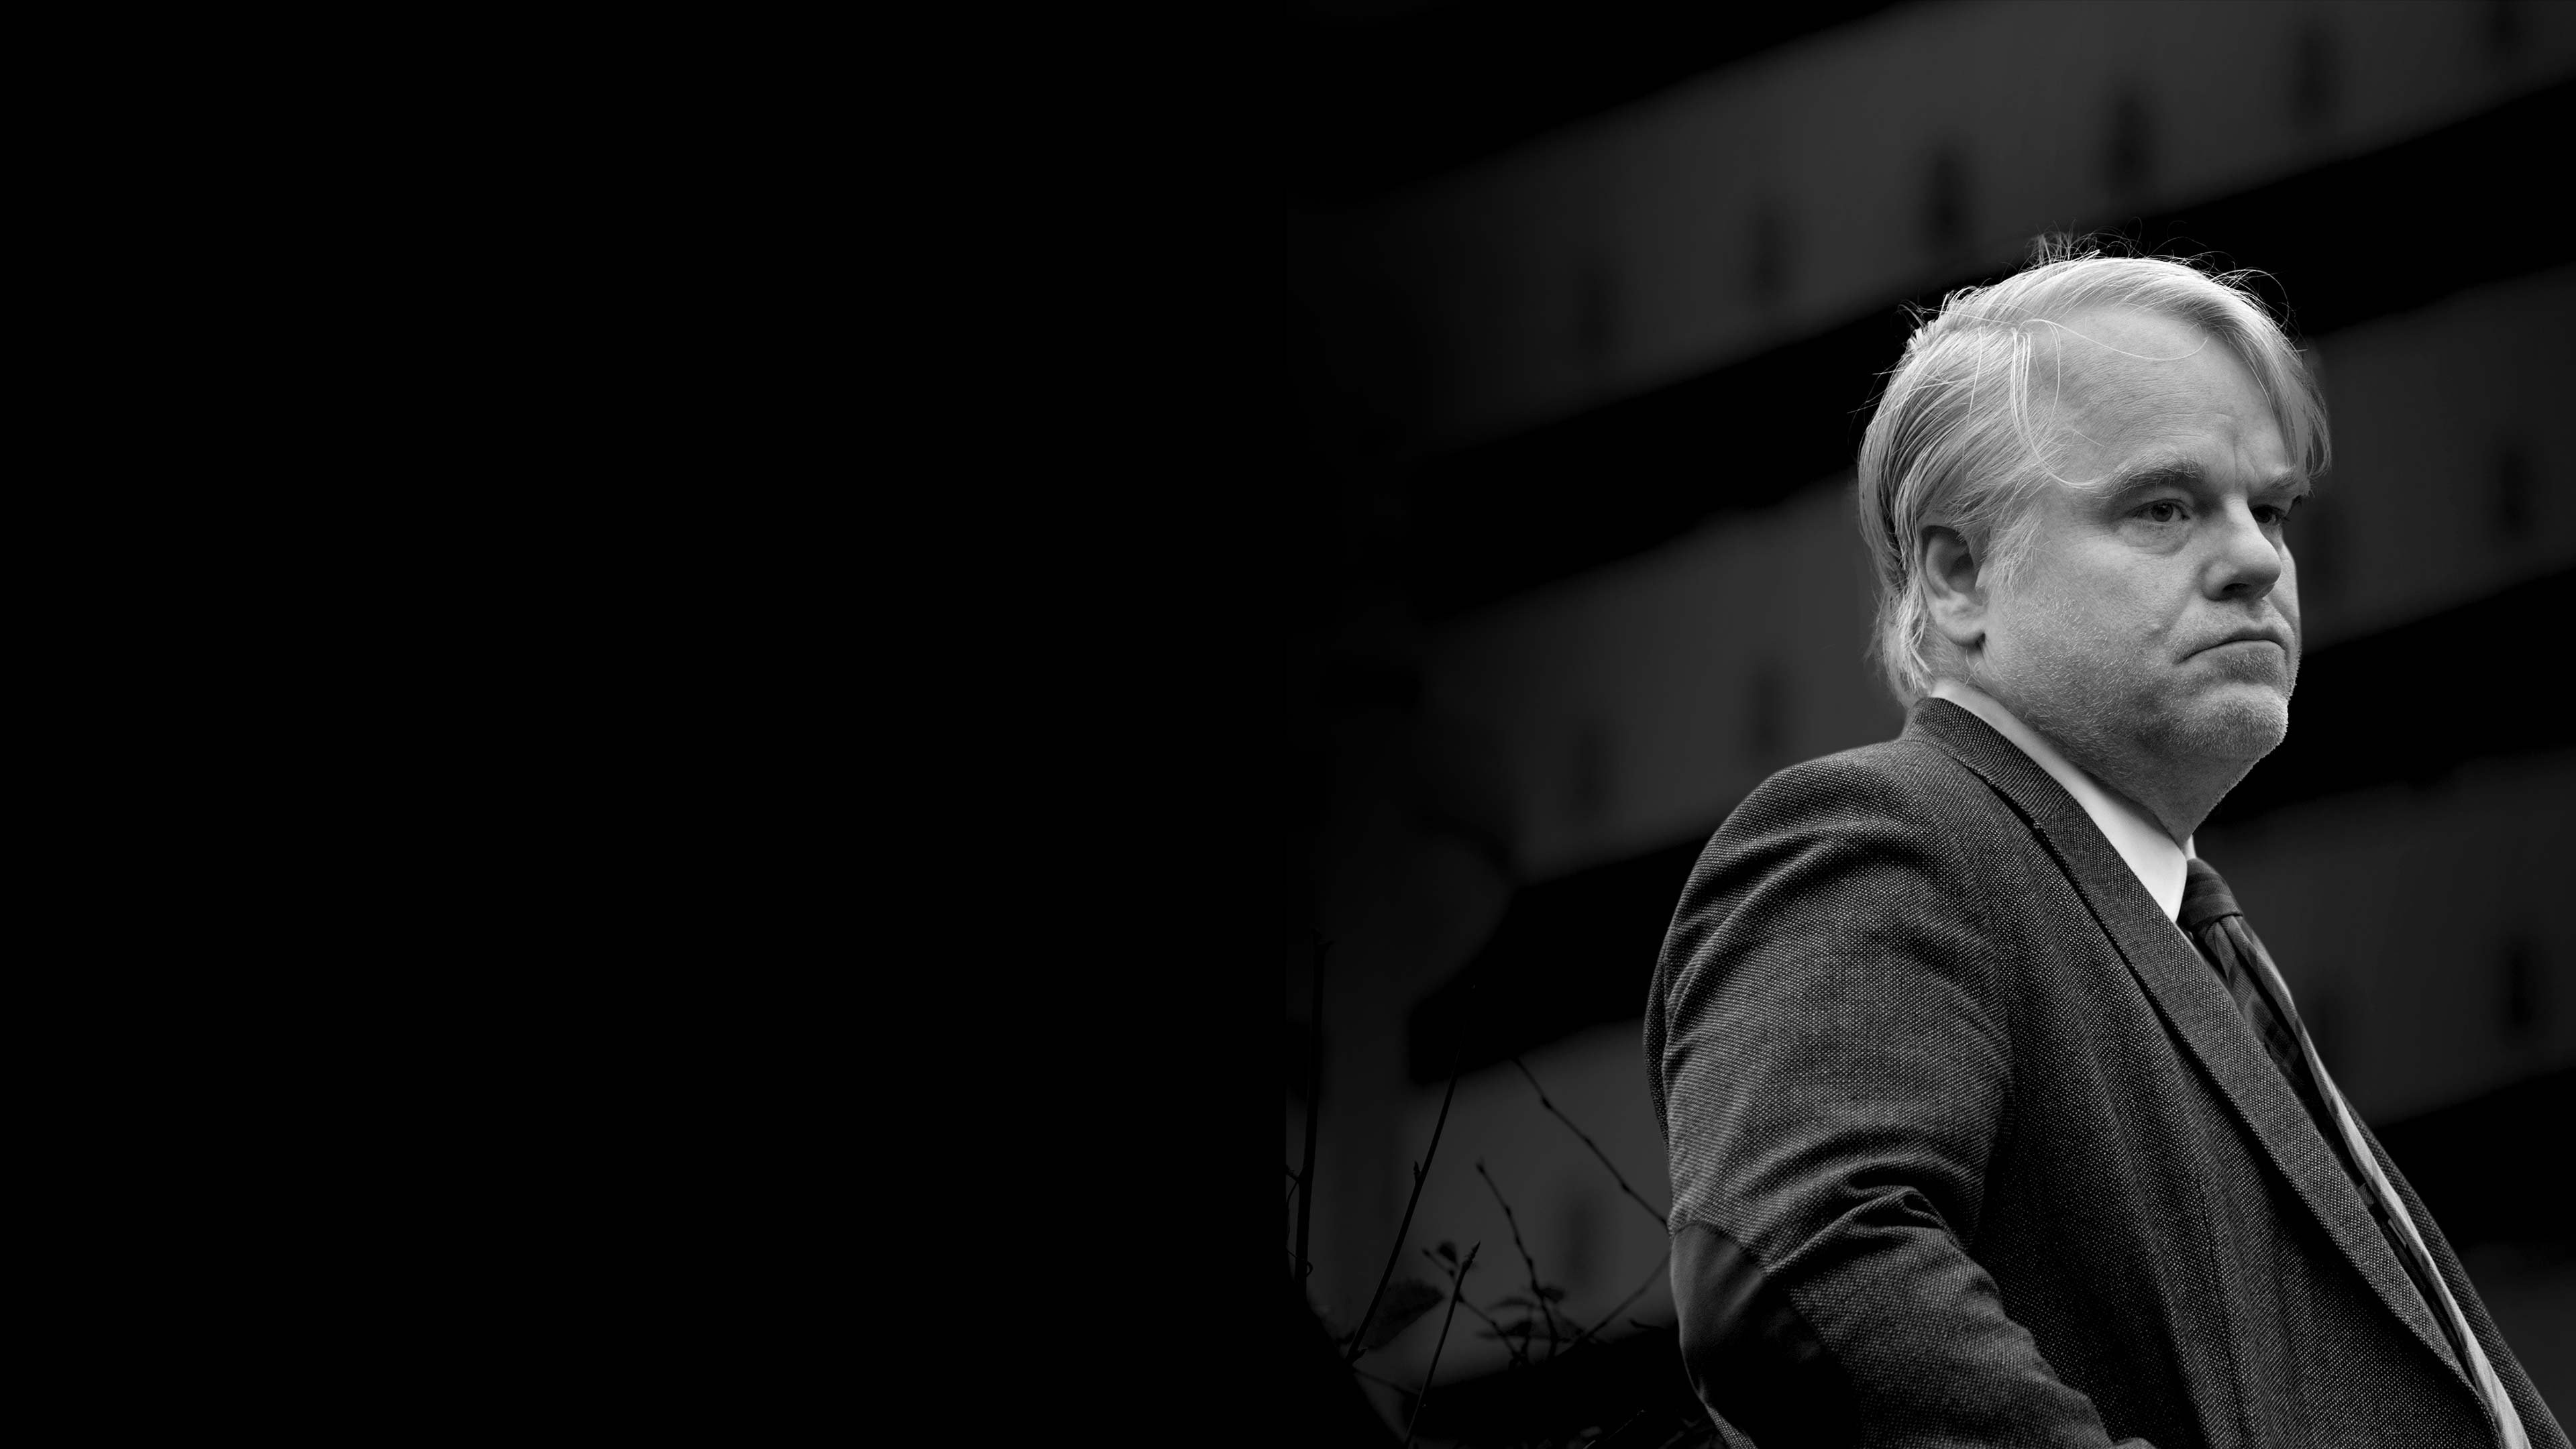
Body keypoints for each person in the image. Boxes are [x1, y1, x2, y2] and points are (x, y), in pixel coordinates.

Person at [1643, 244, 2562, 1447]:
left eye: (2269, 509)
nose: (2259, 559)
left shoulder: (2179, 942)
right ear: (1960, 575)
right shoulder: (1886, 835)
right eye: (2162, 507)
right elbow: (1799, 1270)